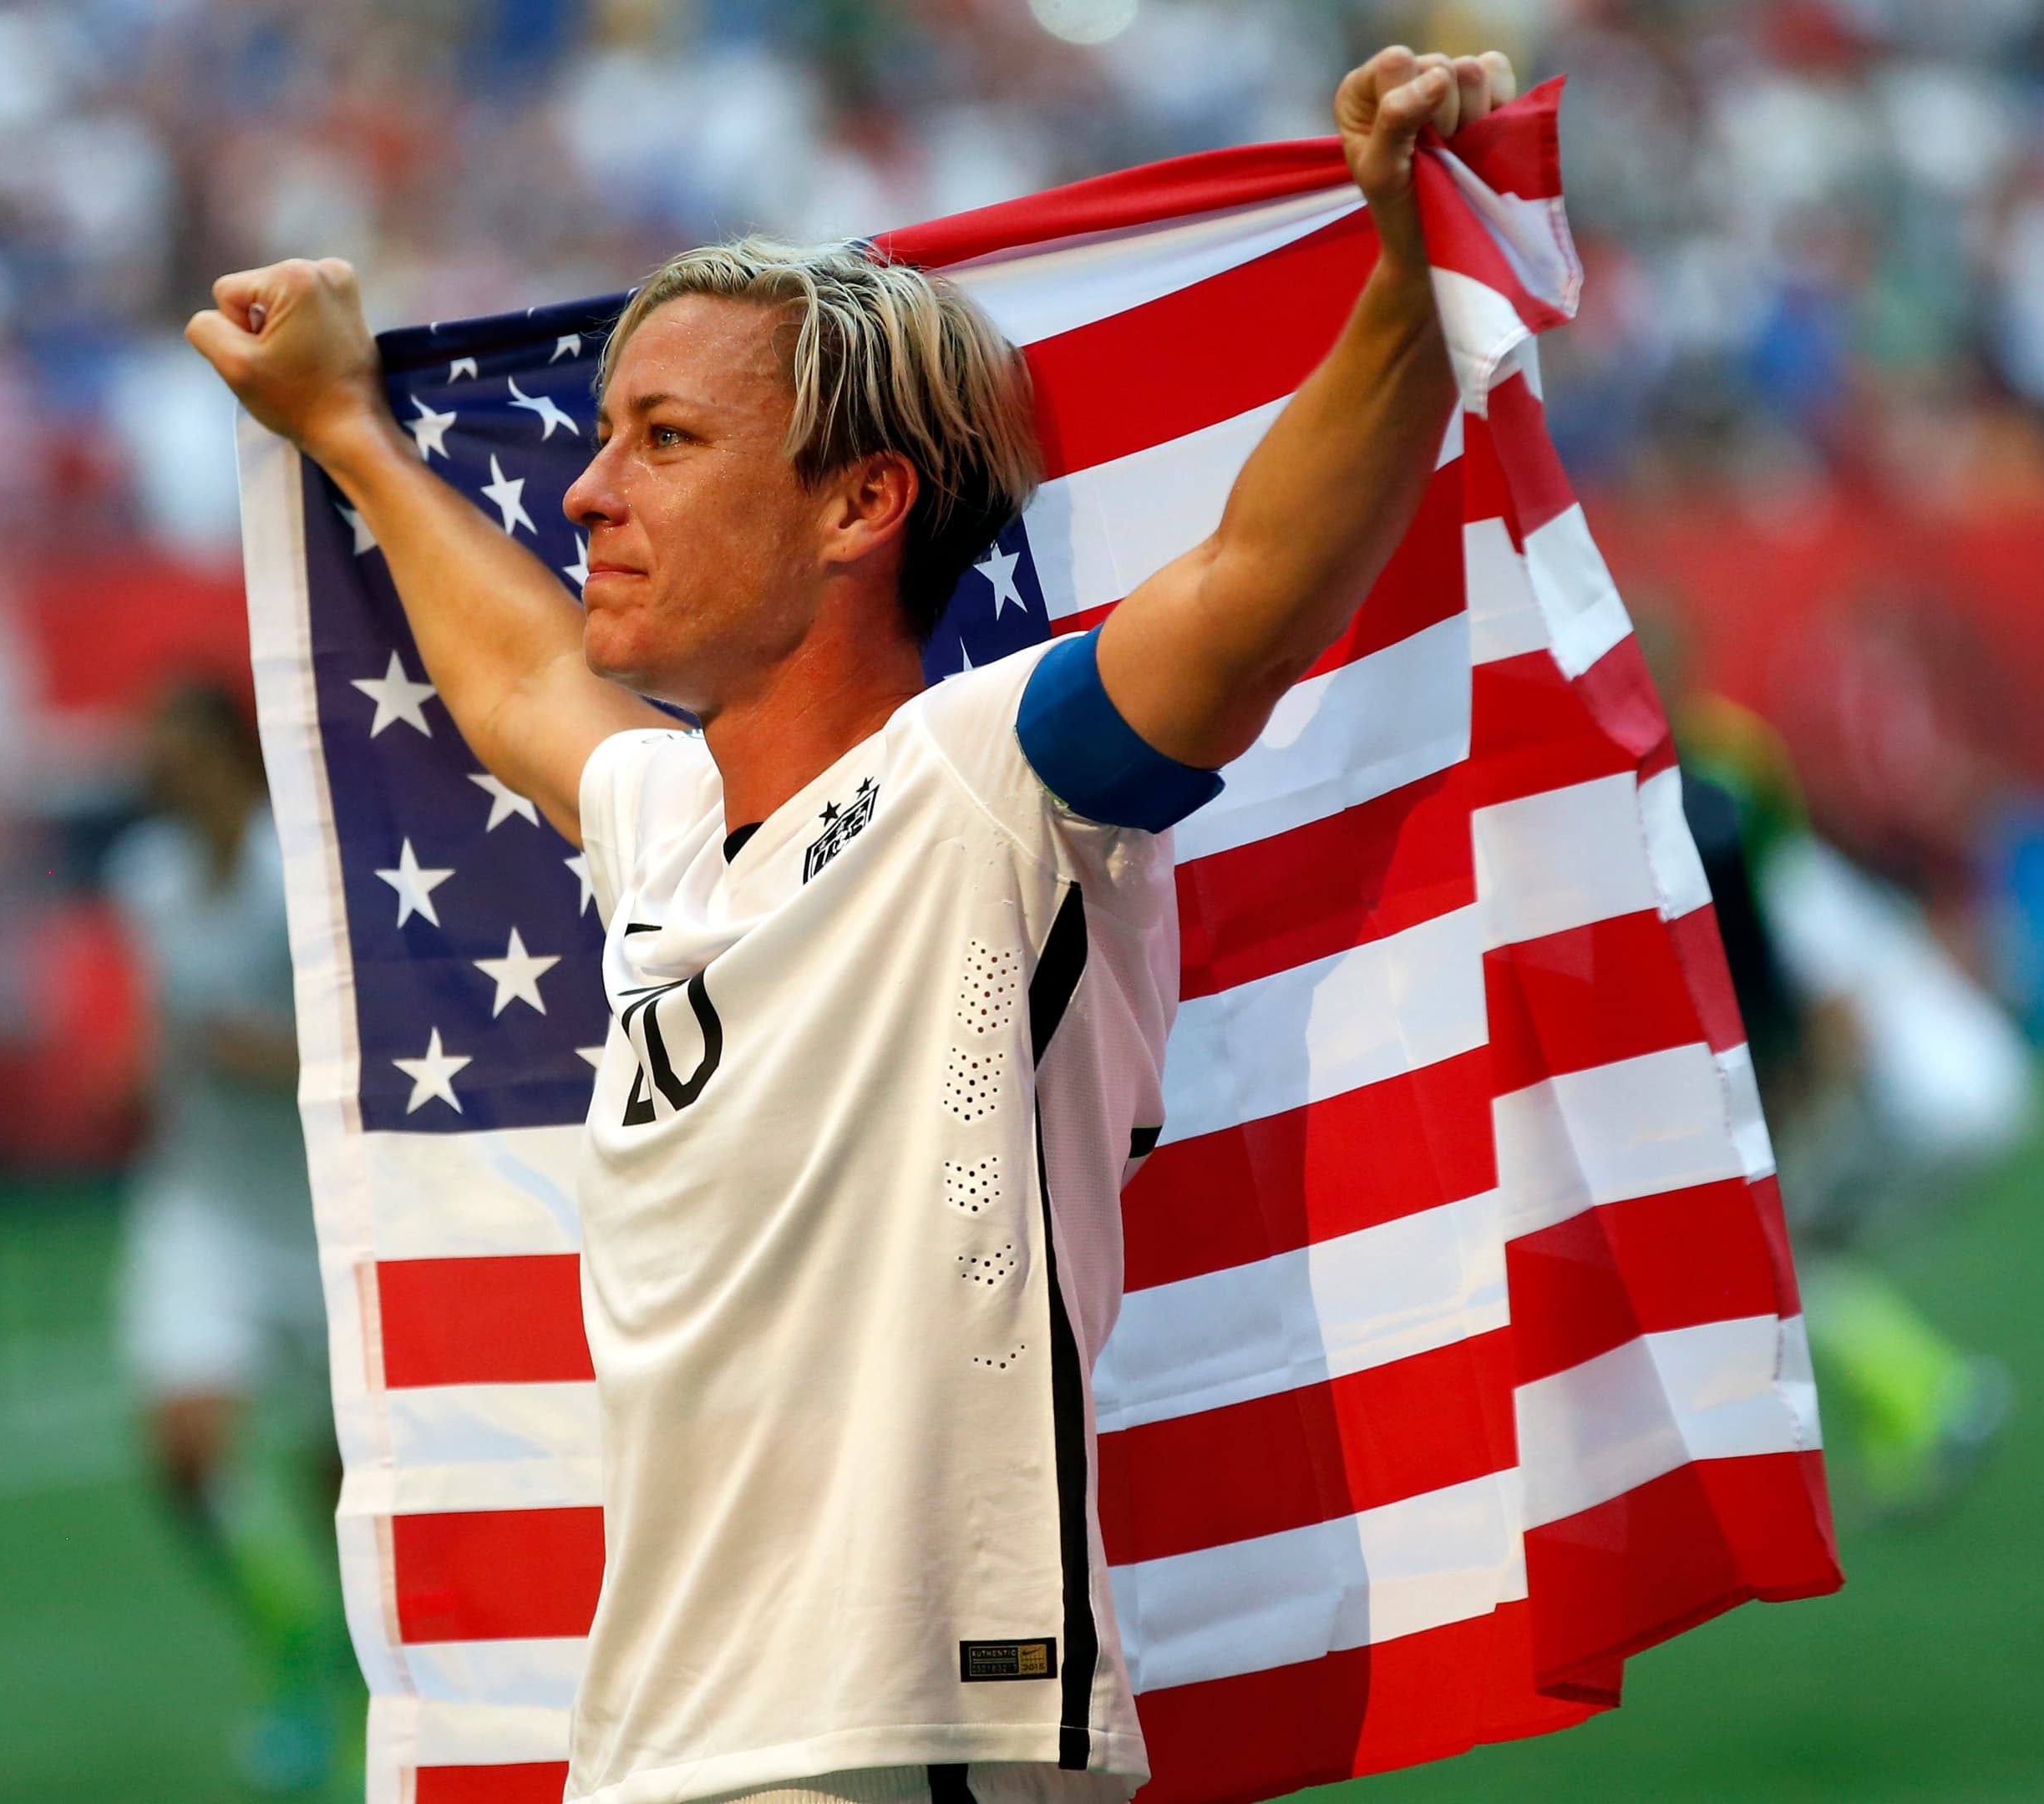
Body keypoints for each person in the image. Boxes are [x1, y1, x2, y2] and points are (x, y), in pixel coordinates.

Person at [189, 45, 1512, 1804]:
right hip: (662, 1753)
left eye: (665, 442)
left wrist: (1417, 261)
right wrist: (343, 421)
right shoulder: (668, 828)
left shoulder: (987, 791)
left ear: (859, 505)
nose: (588, 497)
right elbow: (514, 674)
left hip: (911, 1744)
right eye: (602, 442)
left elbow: (1255, 591)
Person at [1675, 690, 2029, 1519]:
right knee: (1796, 1248)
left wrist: (1806, 1131)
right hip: (1972, 1082)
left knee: (1770, 1248)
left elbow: (1845, 1025)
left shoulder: (1782, 878)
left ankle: (1933, 1393)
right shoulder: (1802, 864)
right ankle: (1913, 1412)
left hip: (1925, 1104)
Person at [104, 677, 343, 1793]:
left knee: (340, 1482)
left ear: (227, 759)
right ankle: (288, 1631)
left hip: (319, 1215)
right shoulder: (144, 881)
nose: (162, 773)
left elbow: (361, 1039)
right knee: (186, 1453)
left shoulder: (300, 878)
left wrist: (280, 1060)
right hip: (198, 1210)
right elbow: (156, 1023)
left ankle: (342, 1653)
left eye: (179, 751)